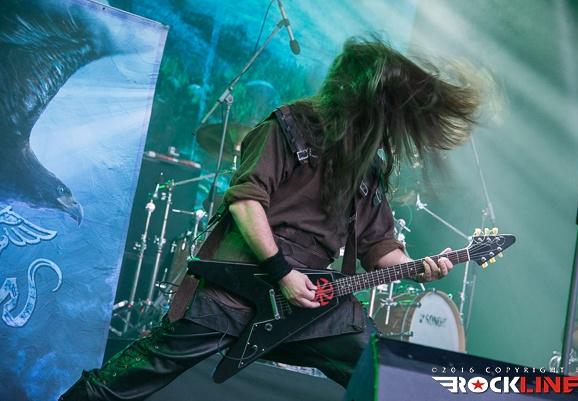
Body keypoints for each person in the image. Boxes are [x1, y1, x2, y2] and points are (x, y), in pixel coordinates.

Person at [60, 37, 481, 400]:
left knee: (380, 376)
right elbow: (246, 203)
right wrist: (282, 272)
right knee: (144, 370)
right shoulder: (289, 126)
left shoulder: (366, 167)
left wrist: (417, 268)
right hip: (243, 278)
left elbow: (378, 246)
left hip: (313, 298)